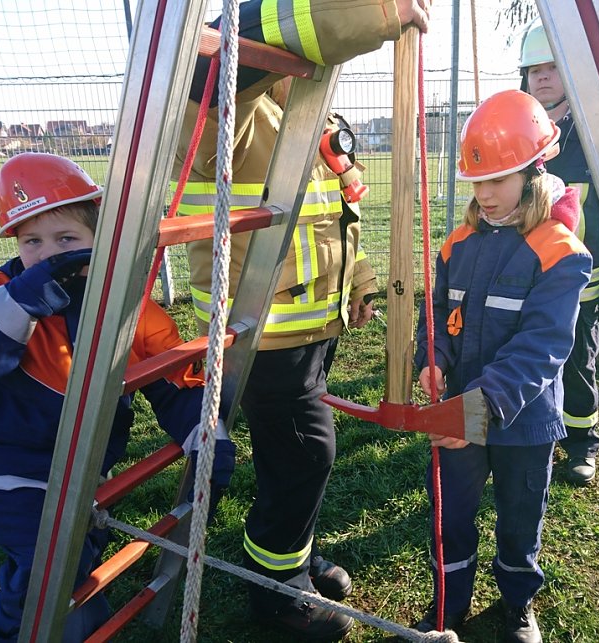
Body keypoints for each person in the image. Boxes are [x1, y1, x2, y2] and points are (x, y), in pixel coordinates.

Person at [172, 1, 431, 639]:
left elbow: (337, 216)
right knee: (306, 453)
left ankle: (291, 552)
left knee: (287, 453)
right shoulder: (225, 104)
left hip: (310, 326)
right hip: (259, 332)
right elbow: (268, 30)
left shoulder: (314, 113)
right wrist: (381, 11)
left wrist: (360, 283)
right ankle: (278, 589)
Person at [0, 152, 236, 642]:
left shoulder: (126, 308)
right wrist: (22, 302)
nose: (48, 255)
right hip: (4, 470)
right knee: (46, 565)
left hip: (82, 465)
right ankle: (16, 629)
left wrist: (206, 436)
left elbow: (175, 381)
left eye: (66, 239)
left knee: (81, 545)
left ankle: (69, 610)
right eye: (33, 241)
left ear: (100, 240)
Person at [413, 90, 592, 642]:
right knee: (450, 515)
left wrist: (478, 408)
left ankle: (517, 604)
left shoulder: (560, 250)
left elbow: (543, 346)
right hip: (460, 414)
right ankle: (449, 607)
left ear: (534, 172)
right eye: (476, 182)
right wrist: (433, 357)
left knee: (519, 517)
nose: (484, 195)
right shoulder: (458, 244)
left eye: (497, 180)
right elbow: (436, 313)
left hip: (523, 421)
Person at [520, 18, 599, 485]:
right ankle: (529, 435)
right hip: (527, 279)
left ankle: (582, 444)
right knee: (527, 357)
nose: (542, 77)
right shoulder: (518, 135)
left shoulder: (594, 137)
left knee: (578, 363)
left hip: (582, 281)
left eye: (552, 67)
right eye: (534, 70)